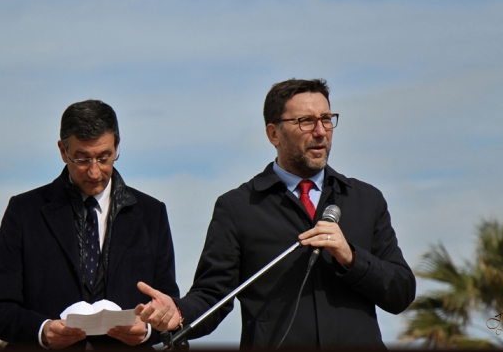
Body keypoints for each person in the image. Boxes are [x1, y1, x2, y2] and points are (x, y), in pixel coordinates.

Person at [136, 78, 416, 348]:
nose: (320, 131)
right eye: (305, 121)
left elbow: (401, 293)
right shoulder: (238, 207)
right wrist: (178, 314)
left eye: (326, 119)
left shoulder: (366, 199)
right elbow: (212, 296)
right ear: (274, 134)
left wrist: (351, 257)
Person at [0, 99, 179, 349]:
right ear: (63, 151)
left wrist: (148, 330)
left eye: (104, 158)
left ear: (117, 148)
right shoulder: (23, 212)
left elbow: (168, 304)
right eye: (82, 159)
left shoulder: (153, 213)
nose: (94, 172)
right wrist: (42, 330)